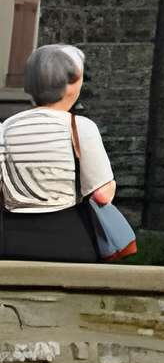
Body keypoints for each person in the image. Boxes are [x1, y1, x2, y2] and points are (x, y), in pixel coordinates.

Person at [0, 43, 118, 262]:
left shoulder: (4, 128)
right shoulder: (81, 127)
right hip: (67, 239)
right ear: (71, 85)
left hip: (9, 239)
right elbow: (101, 195)